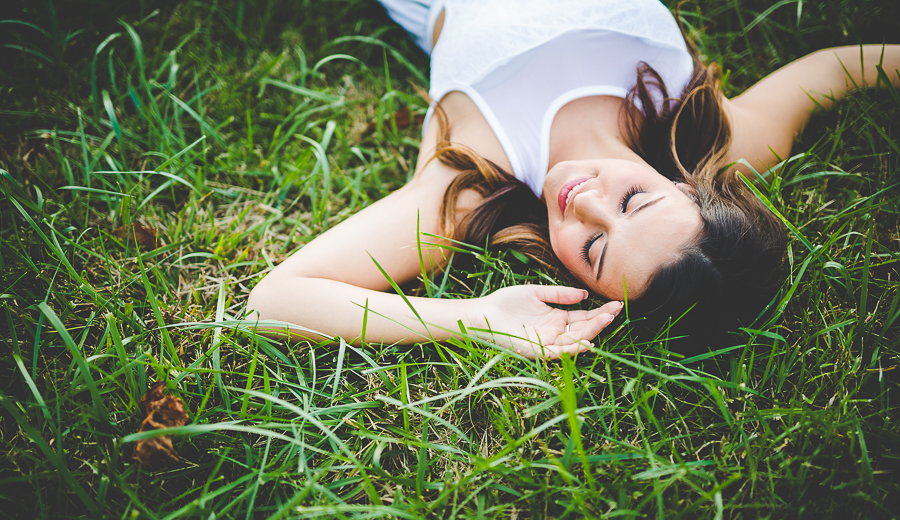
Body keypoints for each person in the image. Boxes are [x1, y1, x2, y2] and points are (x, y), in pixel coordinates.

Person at [247, 0, 900, 358]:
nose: (585, 202)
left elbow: (272, 301)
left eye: (593, 247)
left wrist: (473, 318)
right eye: (634, 200)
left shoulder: (474, 183)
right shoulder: (719, 137)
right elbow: (838, 68)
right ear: (685, 189)